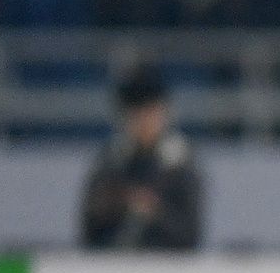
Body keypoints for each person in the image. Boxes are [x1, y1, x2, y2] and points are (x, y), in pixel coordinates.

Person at [80, 66, 203, 250]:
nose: (144, 122)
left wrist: (155, 211)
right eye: (137, 114)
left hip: (169, 268)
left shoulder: (180, 162)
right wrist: (121, 204)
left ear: (164, 113)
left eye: (151, 113)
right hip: (113, 267)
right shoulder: (112, 160)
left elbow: (190, 234)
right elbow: (89, 230)